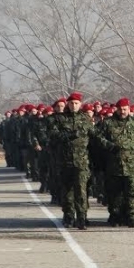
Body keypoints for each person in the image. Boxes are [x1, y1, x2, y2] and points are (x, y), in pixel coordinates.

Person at [96, 98, 134, 227]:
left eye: (125, 109)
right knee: (114, 192)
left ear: (129, 109)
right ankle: (115, 215)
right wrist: (109, 145)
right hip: (114, 163)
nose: (123, 112)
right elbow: (98, 137)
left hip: (132, 164)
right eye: (120, 109)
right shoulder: (108, 123)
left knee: (132, 191)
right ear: (116, 110)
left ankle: (132, 216)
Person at [52, 92, 96, 229]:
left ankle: (82, 217)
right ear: (68, 104)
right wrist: (69, 135)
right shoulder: (60, 119)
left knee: (81, 190)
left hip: (82, 161)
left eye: (76, 103)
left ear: (80, 104)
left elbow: (94, 136)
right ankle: (68, 216)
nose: (74, 106)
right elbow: (54, 135)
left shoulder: (85, 119)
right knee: (67, 191)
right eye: (71, 103)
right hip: (65, 161)